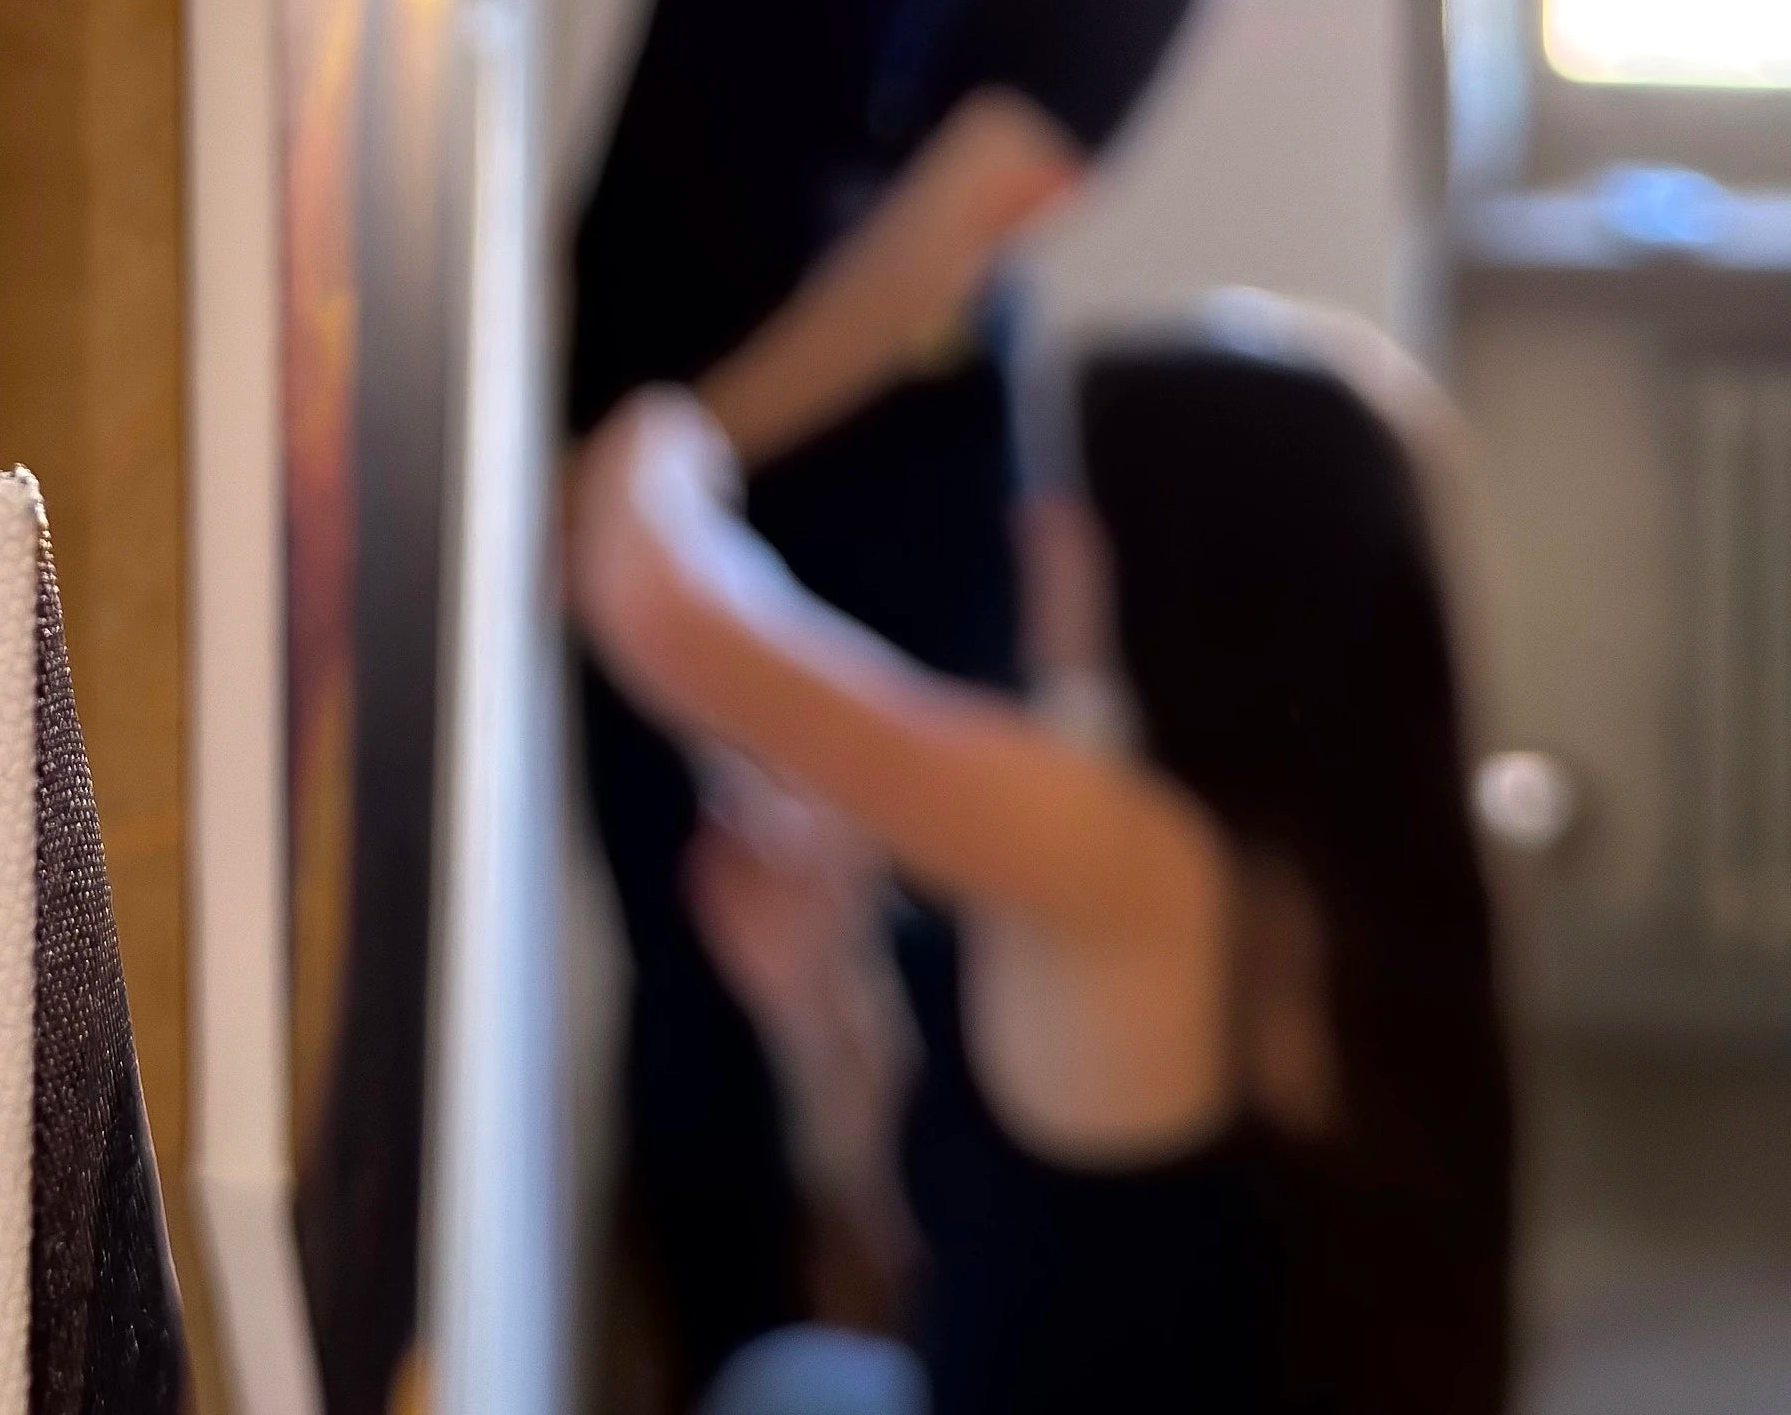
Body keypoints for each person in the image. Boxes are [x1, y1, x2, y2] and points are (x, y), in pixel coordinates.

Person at [545, 0, 1318, 1394]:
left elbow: (915, 277)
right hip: (636, 380)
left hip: (886, 471)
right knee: (693, 951)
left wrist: (675, 465)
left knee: (956, 982)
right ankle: (734, 1345)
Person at [567, 308, 1519, 1415]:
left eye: (1077, 498)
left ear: (1190, 559)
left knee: (781, 1386)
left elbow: (658, 606)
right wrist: (818, 1006)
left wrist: (680, 423)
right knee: (786, 1381)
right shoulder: (1303, 848)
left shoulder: (1130, 849)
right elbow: (991, 1251)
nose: (1032, 523)